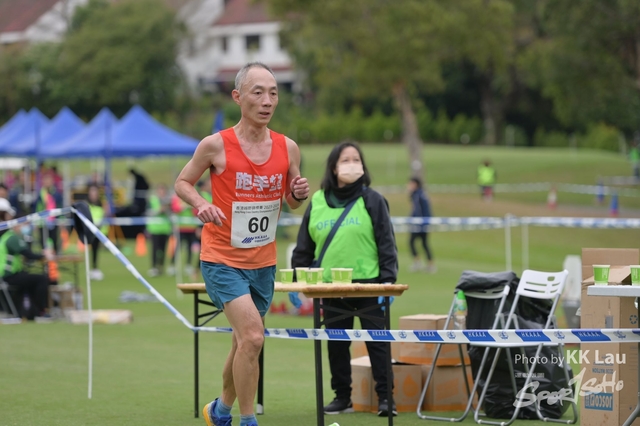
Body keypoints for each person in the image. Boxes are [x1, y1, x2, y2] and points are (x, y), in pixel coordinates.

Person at [174, 62, 309, 426]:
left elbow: (292, 200)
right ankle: (247, 420)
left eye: (273, 93)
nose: (267, 101)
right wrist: (201, 204)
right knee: (252, 336)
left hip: (263, 262)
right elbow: (182, 183)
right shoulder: (215, 145)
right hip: (221, 259)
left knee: (243, 342)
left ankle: (219, 410)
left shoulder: (288, 148)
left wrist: (297, 194)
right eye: (258, 92)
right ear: (237, 97)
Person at [290, 141, 398, 417]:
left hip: (369, 286)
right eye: (345, 160)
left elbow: (386, 243)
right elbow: (304, 248)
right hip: (330, 287)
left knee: (378, 343)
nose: (352, 164)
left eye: (356, 159)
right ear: (333, 167)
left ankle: (386, 398)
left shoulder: (373, 200)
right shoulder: (317, 201)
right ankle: (342, 397)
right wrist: (296, 281)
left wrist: (388, 282)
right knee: (336, 346)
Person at [0, 198, 53, 320]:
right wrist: (44, 255)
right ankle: (41, 311)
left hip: (10, 274)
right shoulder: (12, 238)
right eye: (24, 224)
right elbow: (28, 254)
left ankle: (30, 312)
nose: (27, 227)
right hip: (7, 276)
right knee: (41, 279)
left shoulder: (9, 236)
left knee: (30, 279)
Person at [408, 177, 435, 273]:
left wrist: (426, 222)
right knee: (416, 243)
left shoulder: (420, 195)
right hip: (416, 223)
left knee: (422, 243)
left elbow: (425, 209)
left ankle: (428, 264)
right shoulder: (414, 195)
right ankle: (419, 262)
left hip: (421, 224)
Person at [146, 183, 172, 277]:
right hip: (155, 229)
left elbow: (171, 214)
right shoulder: (153, 200)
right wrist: (158, 210)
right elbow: (147, 212)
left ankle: (161, 267)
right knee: (154, 249)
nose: (162, 192)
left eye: (163, 190)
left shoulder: (168, 201)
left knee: (163, 249)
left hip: (165, 229)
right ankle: (153, 267)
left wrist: (166, 210)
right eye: (160, 190)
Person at [33, 173, 63, 253]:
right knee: (43, 242)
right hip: (42, 222)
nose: (47, 182)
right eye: (45, 180)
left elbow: (60, 207)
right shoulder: (40, 193)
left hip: (54, 221)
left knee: (55, 240)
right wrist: (36, 221)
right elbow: (37, 207)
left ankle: (55, 255)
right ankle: (45, 257)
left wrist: (61, 219)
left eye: (49, 180)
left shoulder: (56, 193)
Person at [87, 184, 110, 280]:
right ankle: (94, 269)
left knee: (100, 250)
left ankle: (95, 269)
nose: (93, 194)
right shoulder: (87, 205)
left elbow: (106, 215)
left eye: (94, 191)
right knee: (93, 250)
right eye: (91, 192)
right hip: (91, 230)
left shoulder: (102, 204)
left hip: (101, 231)